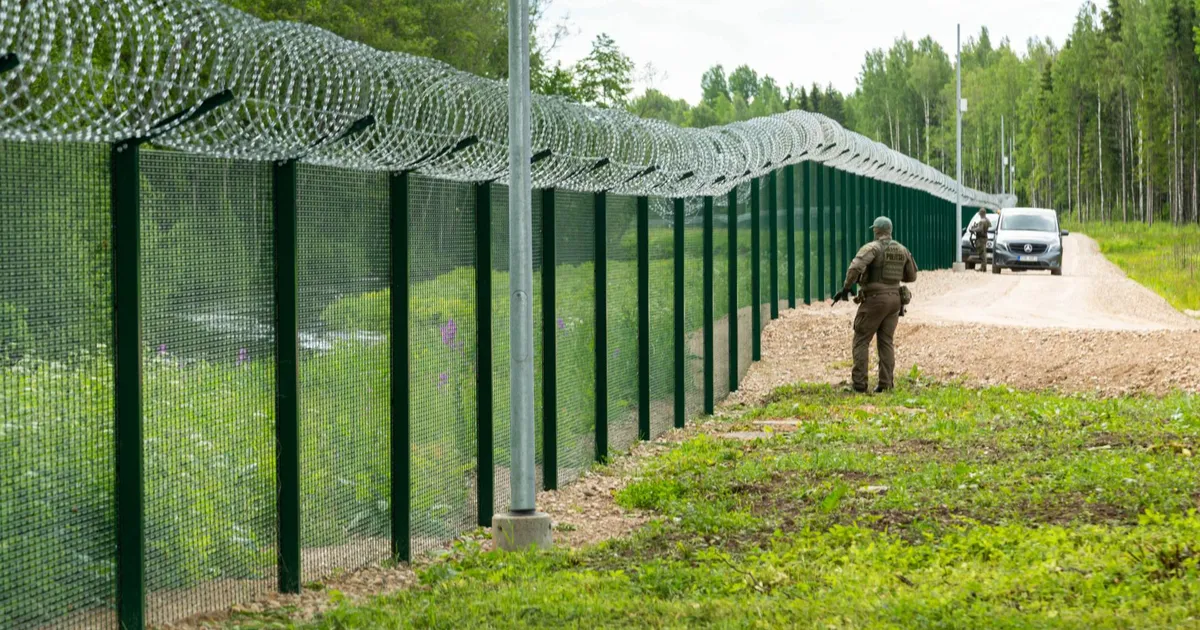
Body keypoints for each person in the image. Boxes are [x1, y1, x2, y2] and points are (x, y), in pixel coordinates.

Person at [839, 216, 917, 393]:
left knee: (861, 339)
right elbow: (911, 276)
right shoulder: (902, 249)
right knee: (886, 341)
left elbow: (855, 268)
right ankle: (886, 384)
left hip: (874, 300)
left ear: (876, 231)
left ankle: (859, 384)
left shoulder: (872, 248)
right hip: (895, 301)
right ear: (890, 231)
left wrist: (846, 287)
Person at [970, 208, 991, 272]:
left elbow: (980, 229)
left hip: (981, 238)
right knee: (983, 252)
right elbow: (988, 226)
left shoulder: (982, 221)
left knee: (982, 253)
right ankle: (983, 267)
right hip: (985, 237)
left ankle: (983, 268)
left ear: (981, 213)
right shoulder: (987, 220)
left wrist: (973, 230)